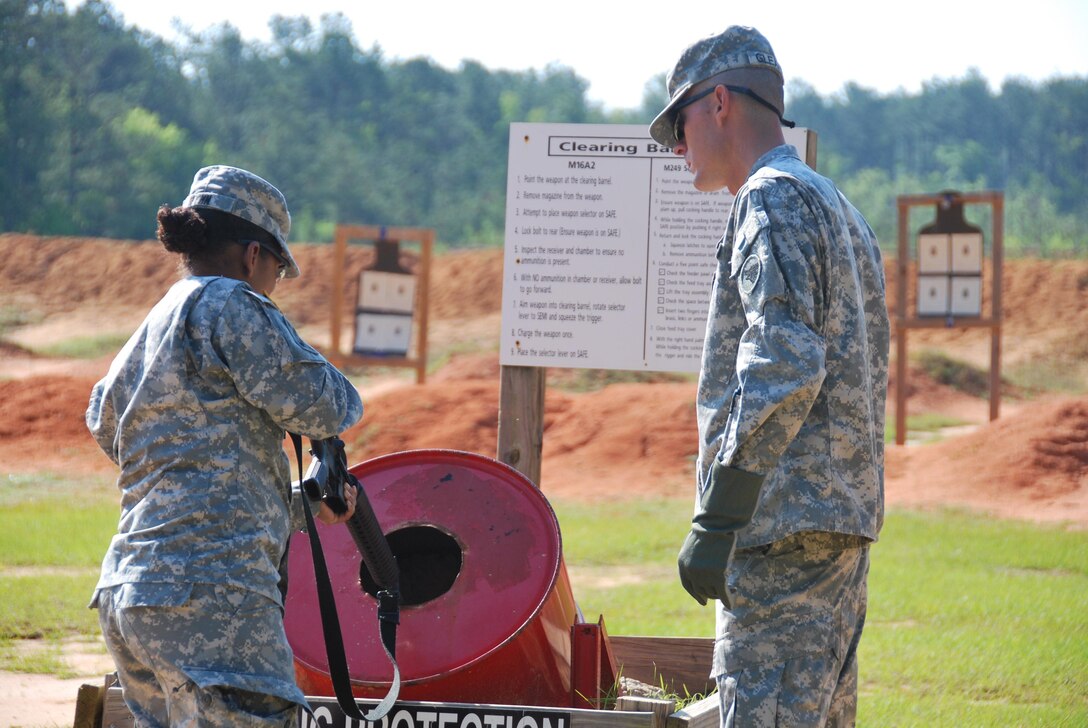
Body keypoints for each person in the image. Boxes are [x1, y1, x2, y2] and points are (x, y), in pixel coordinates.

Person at [649, 27, 890, 727]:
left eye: (679, 121)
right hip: (834, 530)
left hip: (778, 534)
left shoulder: (768, 199)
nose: (674, 144)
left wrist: (720, 513)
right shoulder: (835, 203)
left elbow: (783, 359)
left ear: (719, 102)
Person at [86, 165, 364, 727]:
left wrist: (309, 500)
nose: (273, 285)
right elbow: (330, 405)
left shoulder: (155, 321)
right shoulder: (232, 304)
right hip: (213, 593)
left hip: (131, 593)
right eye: (278, 273)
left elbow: (111, 425)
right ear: (253, 255)